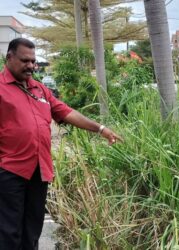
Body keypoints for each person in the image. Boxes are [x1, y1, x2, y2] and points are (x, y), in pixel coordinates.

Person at [0, 38, 123, 250]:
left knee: (32, 230)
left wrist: (100, 129)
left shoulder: (39, 90)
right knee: (8, 232)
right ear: (9, 58)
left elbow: (66, 112)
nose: (30, 65)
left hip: (39, 172)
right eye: (24, 60)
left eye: (33, 61)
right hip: (10, 171)